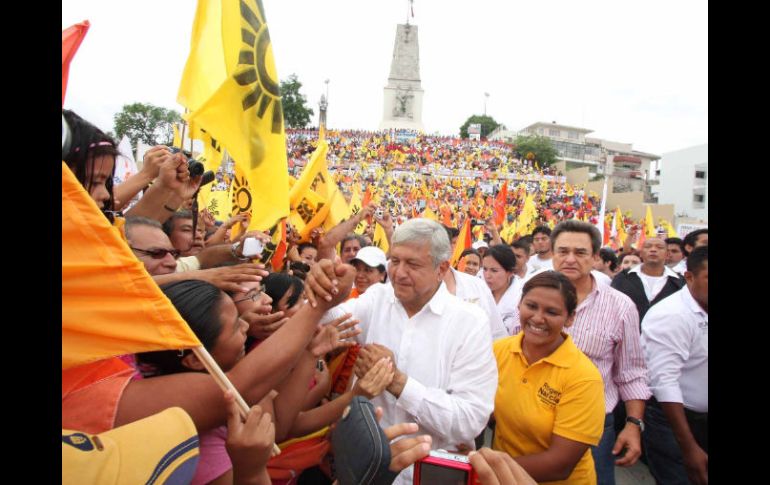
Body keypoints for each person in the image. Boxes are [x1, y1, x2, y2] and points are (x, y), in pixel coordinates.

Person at [305, 218, 498, 485]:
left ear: (441, 268)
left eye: (413, 264)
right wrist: (321, 290)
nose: (399, 272)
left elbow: (469, 420)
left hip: (429, 474)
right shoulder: (378, 299)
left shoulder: (470, 322)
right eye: (395, 261)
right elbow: (326, 320)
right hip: (366, 469)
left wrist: (398, 382)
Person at [510, 221, 651, 485]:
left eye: (581, 252)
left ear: (596, 257)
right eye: (563, 251)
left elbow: (631, 372)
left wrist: (633, 424)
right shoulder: (531, 293)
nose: (570, 259)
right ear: (552, 253)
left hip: (593, 426)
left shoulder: (620, 306)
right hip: (524, 419)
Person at [493, 272, 605, 484]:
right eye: (531, 306)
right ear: (519, 305)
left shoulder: (583, 377)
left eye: (551, 312)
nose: (537, 318)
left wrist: (484, 467)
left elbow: (559, 465)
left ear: (570, 318)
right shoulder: (499, 351)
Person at [641, 246, 708, 485]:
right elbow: (664, 383)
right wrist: (688, 447)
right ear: (689, 277)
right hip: (673, 422)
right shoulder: (671, 315)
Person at [611, 238, 685, 324]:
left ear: (667, 254)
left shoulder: (680, 282)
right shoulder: (623, 278)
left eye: (659, 247)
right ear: (641, 253)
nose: (653, 250)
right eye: (648, 247)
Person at [482, 244, 523, 335]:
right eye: (485, 269)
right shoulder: (478, 290)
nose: (487, 276)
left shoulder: (521, 296)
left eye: (494, 270)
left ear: (510, 272)